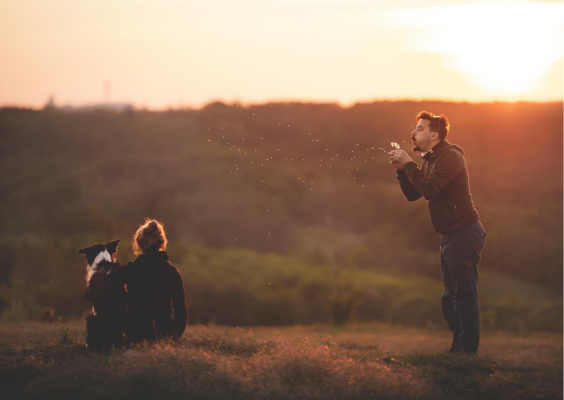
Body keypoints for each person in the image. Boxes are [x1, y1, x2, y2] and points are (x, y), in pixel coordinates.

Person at [389, 111, 486, 353]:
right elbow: (414, 194)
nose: (413, 132)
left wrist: (409, 165)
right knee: (449, 297)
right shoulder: (431, 160)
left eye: (419, 129)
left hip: (464, 233)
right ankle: (459, 347)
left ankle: (467, 350)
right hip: (449, 235)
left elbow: (430, 190)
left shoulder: (451, 157)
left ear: (434, 135)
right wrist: (402, 171)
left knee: (463, 295)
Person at [85, 218, 188, 343]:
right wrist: (174, 335)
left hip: (137, 335)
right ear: (162, 244)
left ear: (139, 244)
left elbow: (107, 289)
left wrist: (90, 294)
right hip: (164, 333)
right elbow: (181, 313)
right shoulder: (173, 272)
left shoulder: (129, 270)